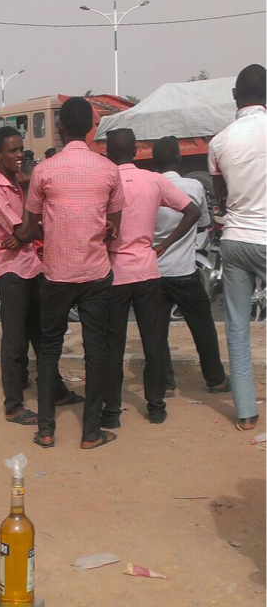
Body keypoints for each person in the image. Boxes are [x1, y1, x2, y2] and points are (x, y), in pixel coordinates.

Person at [17, 96, 126, 450]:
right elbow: (114, 225)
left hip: (56, 273)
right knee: (97, 349)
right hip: (95, 272)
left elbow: (31, 226)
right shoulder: (108, 169)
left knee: (49, 348)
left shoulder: (44, 171)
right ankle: (91, 432)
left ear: (60, 128)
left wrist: (55, 230)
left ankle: (46, 429)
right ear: (92, 128)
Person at [0, 127, 82, 423]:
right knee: (15, 340)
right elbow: (28, 229)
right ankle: (13, 404)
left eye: (21, 149)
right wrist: (25, 226)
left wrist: (25, 233)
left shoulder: (18, 183)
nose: (19, 155)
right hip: (12, 273)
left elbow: (35, 230)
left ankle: (56, 390)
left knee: (42, 336)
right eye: (12, 151)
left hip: (32, 267)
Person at [102, 129, 200, 427]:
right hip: (147, 269)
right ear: (135, 150)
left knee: (113, 345)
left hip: (114, 271)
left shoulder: (104, 183)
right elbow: (192, 211)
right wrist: (164, 245)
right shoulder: (154, 180)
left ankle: (112, 412)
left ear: (107, 153)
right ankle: (156, 406)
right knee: (153, 341)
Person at [208, 63, 266, 431]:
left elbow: (220, 196)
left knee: (237, 327)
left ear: (234, 96)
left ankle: (246, 413)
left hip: (235, 240)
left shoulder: (219, 141)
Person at [151, 137, 228, 395]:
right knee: (203, 326)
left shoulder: (148, 187)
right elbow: (204, 222)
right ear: (178, 158)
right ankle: (215, 379)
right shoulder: (193, 186)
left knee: (156, 331)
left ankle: (165, 383)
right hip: (184, 271)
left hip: (155, 272)